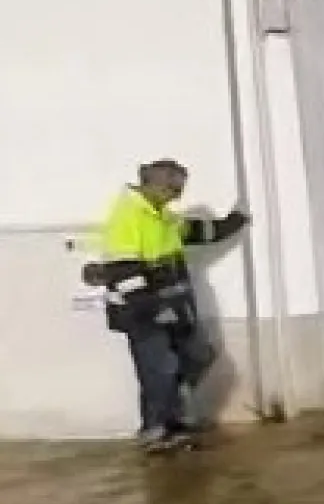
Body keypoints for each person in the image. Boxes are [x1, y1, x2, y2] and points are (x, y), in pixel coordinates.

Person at [83, 160, 249, 451]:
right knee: (160, 368)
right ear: (156, 184)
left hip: (172, 307)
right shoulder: (128, 216)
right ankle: (156, 430)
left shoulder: (162, 215)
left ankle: (170, 417)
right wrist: (157, 309)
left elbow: (198, 232)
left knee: (196, 355)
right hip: (141, 311)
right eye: (174, 188)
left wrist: (235, 220)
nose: (178, 195)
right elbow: (123, 273)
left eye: (180, 189)